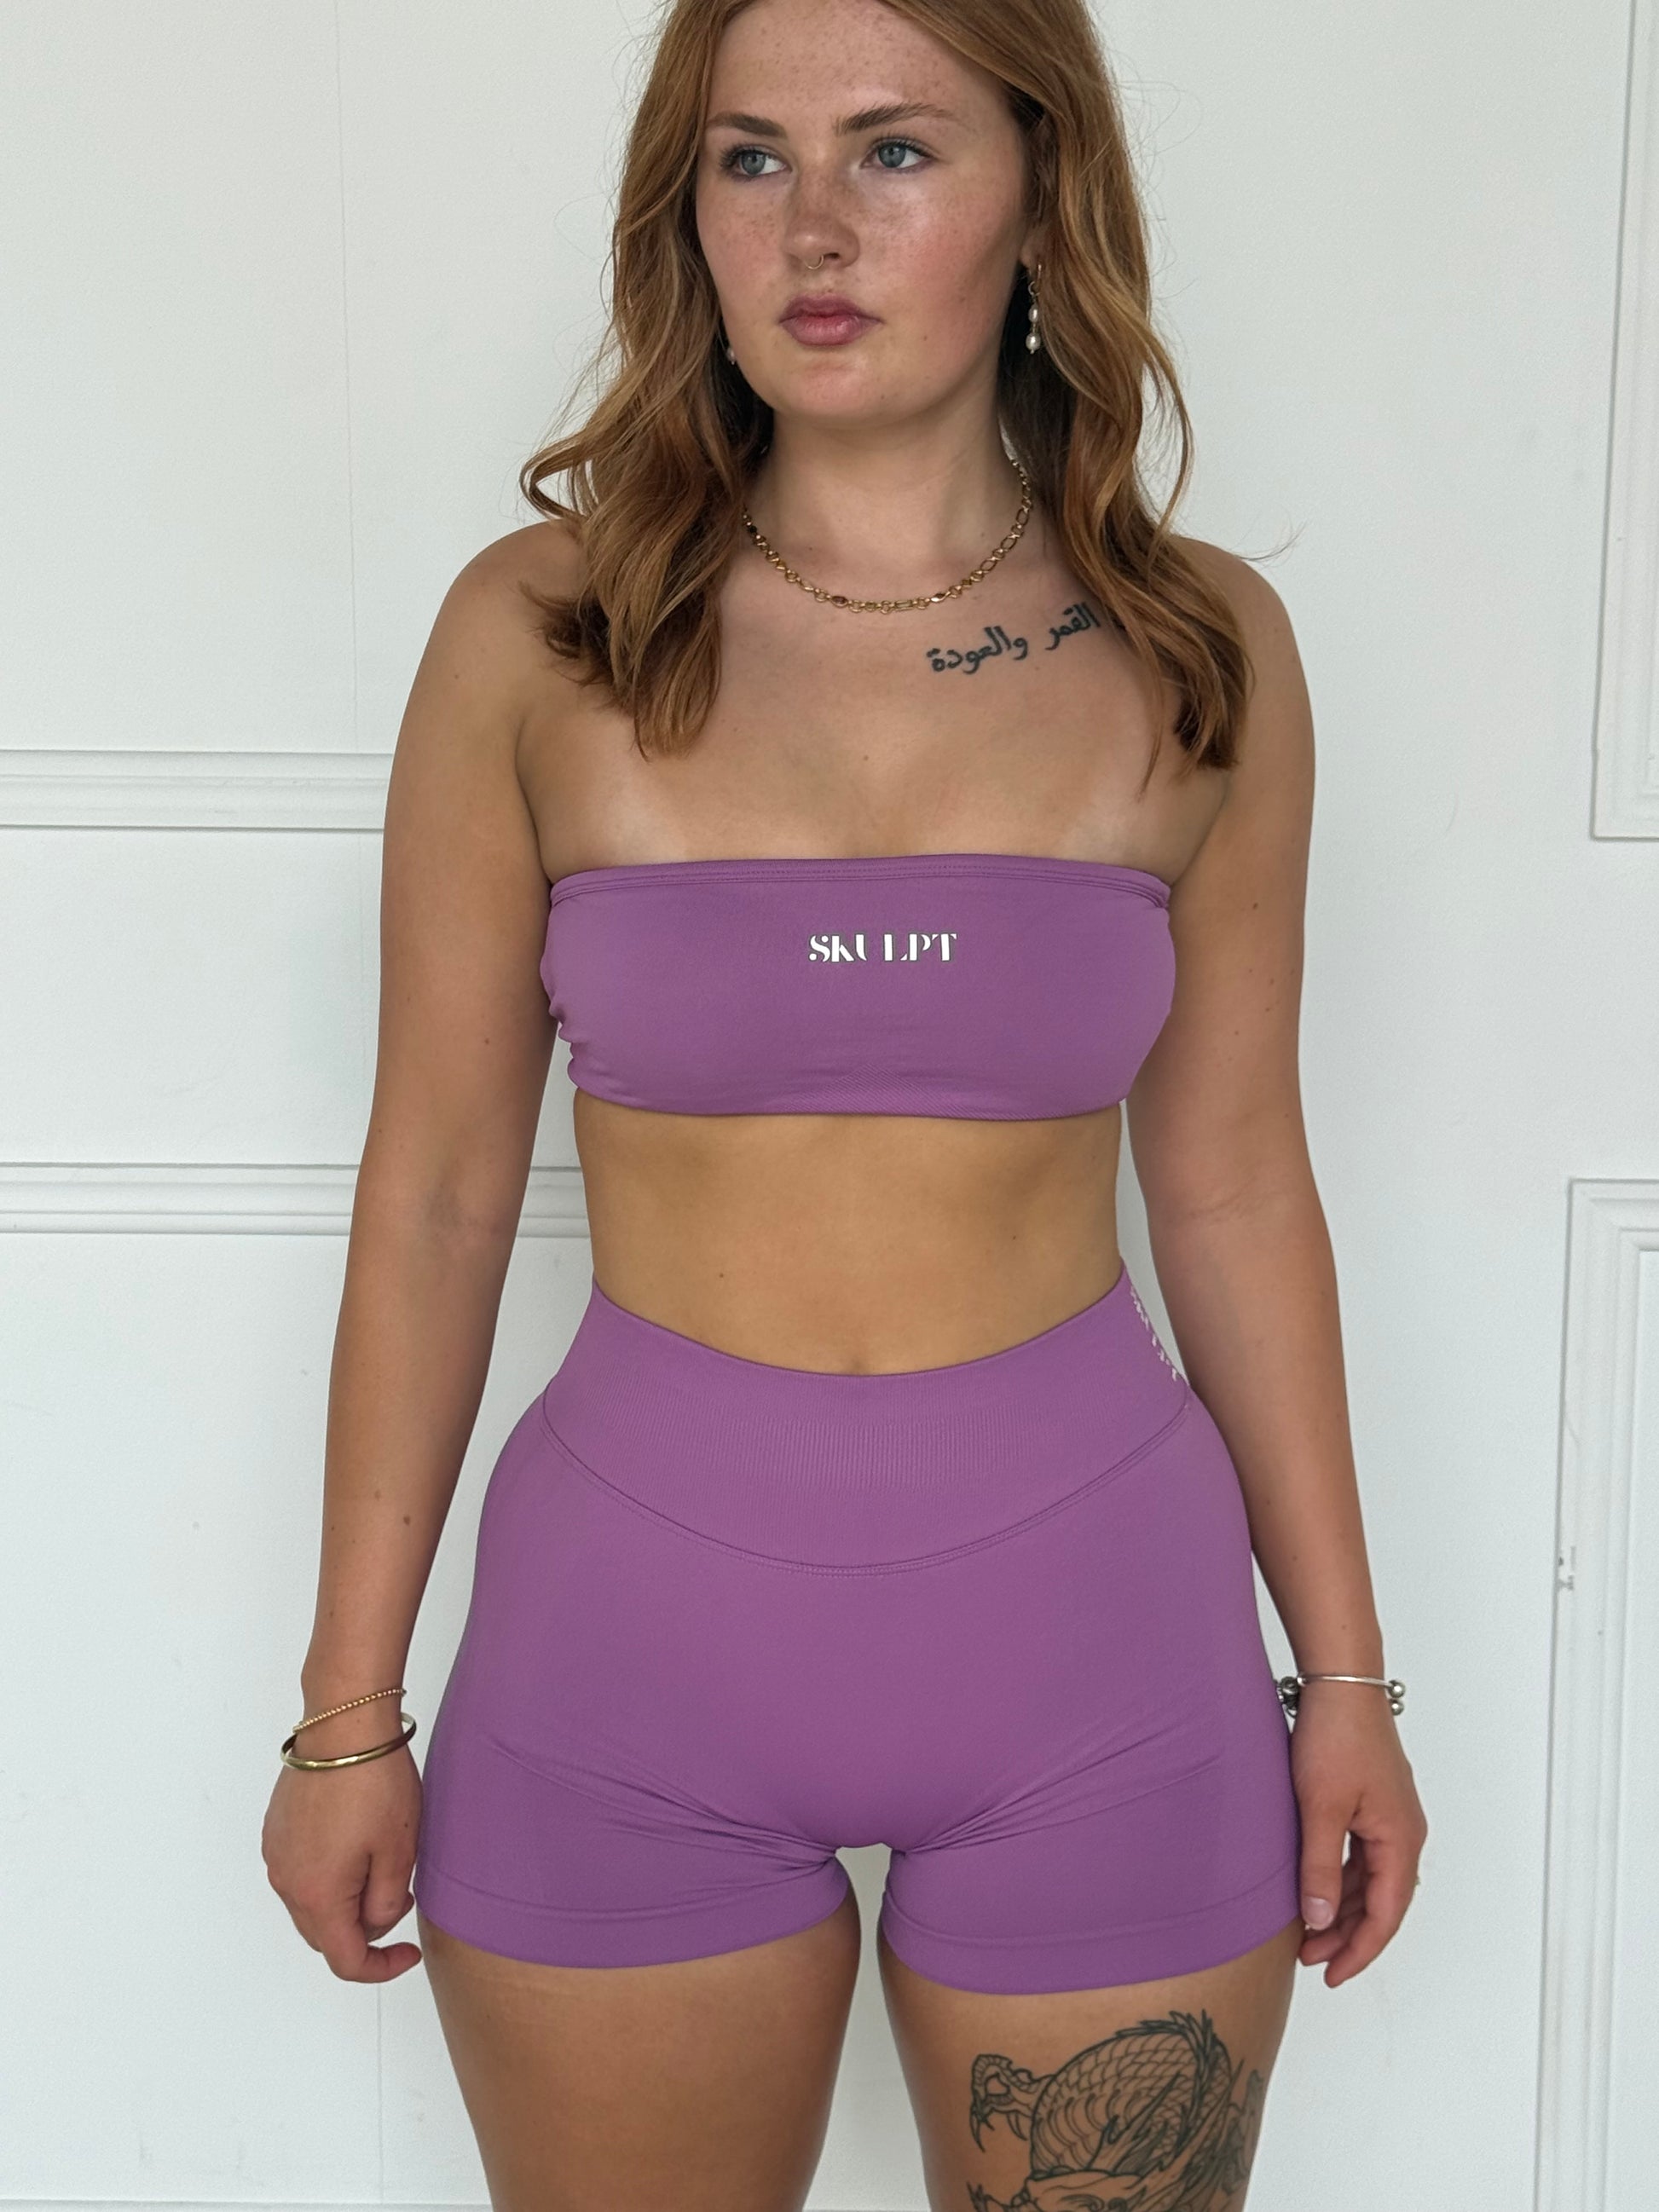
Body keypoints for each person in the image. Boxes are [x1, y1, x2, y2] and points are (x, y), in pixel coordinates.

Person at [261, 0, 1428, 2203]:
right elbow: (433, 1195)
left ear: (1041, 199)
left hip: (1107, 1653)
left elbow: (1235, 1191)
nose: (812, 225)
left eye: (894, 151)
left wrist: (1346, 1674)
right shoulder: (543, 637)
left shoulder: (1199, 652)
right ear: (684, 211)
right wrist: (345, 1712)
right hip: (625, 1660)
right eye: (749, 157)